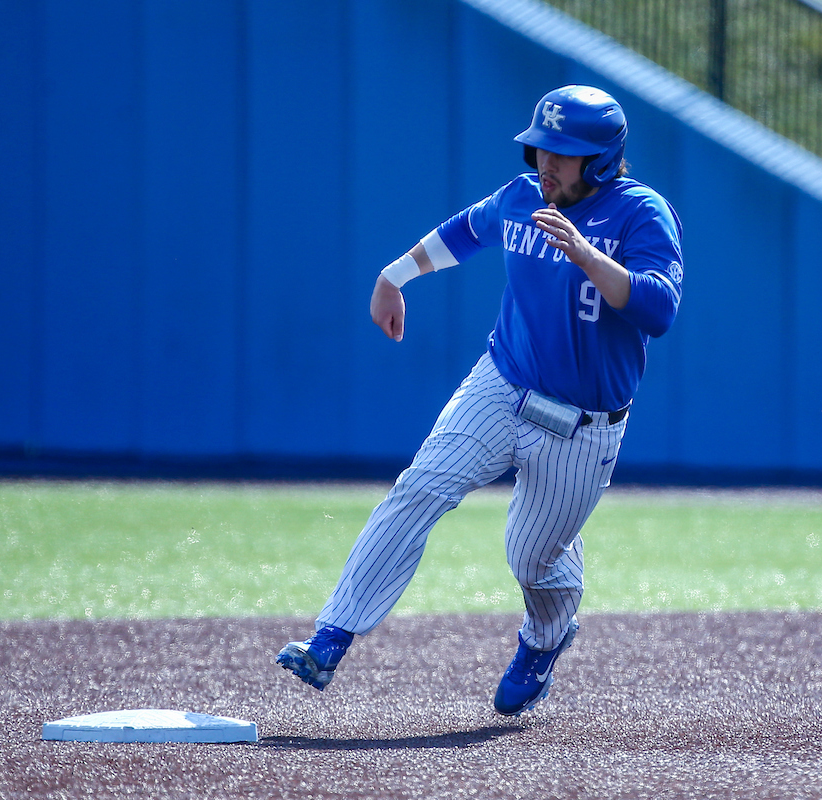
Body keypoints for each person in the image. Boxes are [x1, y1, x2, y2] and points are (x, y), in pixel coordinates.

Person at [276, 85, 683, 716]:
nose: (545, 161)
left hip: (583, 426)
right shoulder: (523, 198)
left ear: (600, 161)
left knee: (532, 557)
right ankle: (332, 635)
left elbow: (658, 310)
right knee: (421, 486)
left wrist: (587, 255)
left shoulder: (640, 213)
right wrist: (395, 275)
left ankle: (545, 639)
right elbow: (464, 232)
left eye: (562, 153)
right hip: (501, 384)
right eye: (540, 146)